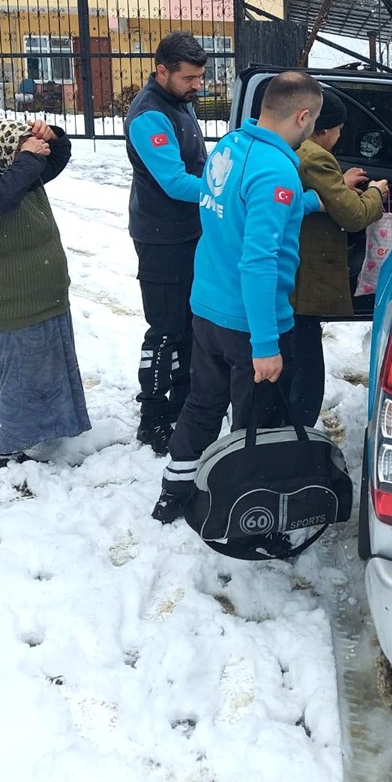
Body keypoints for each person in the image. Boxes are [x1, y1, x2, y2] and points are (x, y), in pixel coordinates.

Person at [153, 70, 324, 523]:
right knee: (258, 425)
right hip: (250, 327)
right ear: (302, 116)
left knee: (202, 403)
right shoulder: (276, 169)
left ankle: (176, 490)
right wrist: (266, 346)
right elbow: (258, 261)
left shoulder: (229, 147)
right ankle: (247, 509)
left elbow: (238, 211)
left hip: (208, 311)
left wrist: (306, 202)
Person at [0, 118, 90, 467]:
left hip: (45, 300)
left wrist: (53, 137)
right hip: (13, 307)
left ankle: (47, 432)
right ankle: (6, 451)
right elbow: (6, 192)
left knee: (48, 372)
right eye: (21, 147)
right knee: (21, 384)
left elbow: (56, 159)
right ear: (2, 152)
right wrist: (27, 157)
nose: (33, 154)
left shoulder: (20, 177)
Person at [125, 32, 208, 454]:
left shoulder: (179, 104)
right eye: (191, 78)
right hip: (160, 237)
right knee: (165, 330)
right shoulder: (148, 116)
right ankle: (152, 417)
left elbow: (198, 162)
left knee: (190, 324)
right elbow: (175, 182)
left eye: (200, 77)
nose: (198, 86)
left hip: (189, 232)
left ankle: (183, 402)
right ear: (163, 71)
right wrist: (222, 192)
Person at [290, 90, 389, 425]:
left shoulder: (299, 149)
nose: (340, 136)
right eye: (340, 129)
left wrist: (340, 184)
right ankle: (296, 437)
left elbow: (324, 192)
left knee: (298, 358)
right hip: (303, 281)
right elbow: (354, 215)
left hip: (292, 275)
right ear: (325, 130)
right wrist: (376, 193)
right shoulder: (317, 156)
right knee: (305, 372)